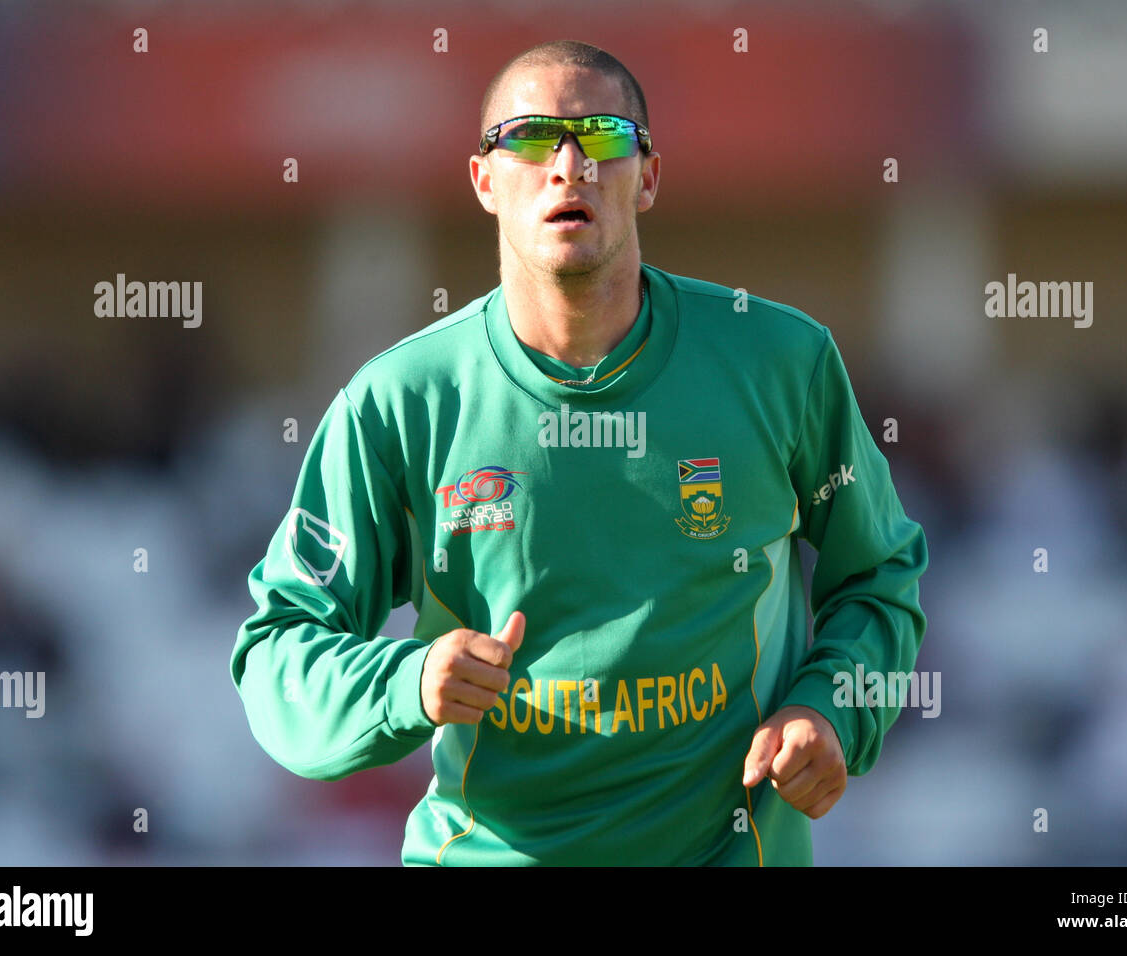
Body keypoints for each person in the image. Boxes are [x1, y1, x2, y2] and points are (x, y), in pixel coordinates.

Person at [230, 39, 928, 866]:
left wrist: (831, 711)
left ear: (650, 175)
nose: (569, 164)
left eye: (603, 136)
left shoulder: (780, 362)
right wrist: (406, 685)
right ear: (485, 181)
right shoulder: (400, 402)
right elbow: (278, 650)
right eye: (530, 137)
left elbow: (880, 575)